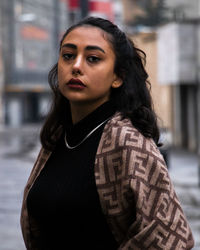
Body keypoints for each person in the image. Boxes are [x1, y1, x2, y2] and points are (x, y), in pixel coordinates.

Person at [20, 16, 194, 250]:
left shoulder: (127, 140)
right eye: (68, 55)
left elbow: (170, 237)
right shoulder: (59, 135)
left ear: (118, 76)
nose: (77, 66)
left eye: (93, 58)